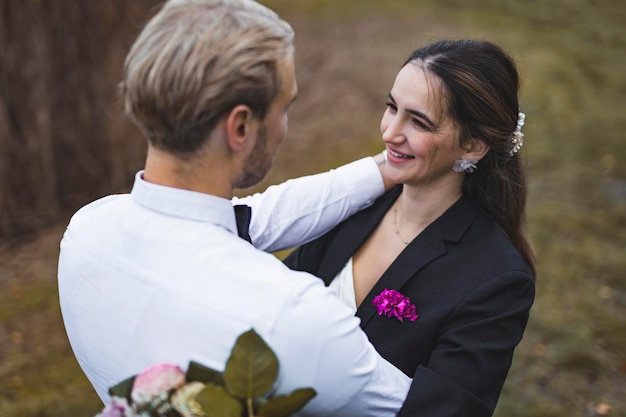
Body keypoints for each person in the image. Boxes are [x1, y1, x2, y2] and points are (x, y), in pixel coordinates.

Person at [57, 1, 412, 416]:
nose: (284, 126)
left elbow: (254, 219)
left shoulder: (86, 231)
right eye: (285, 107)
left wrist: (389, 166)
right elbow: (425, 408)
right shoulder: (293, 317)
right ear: (240, 127)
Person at [284, 39, 536, 417]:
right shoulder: (354, 205)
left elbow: (448, 408)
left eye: (418, 122)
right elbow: (277, 300)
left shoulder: (497, 280)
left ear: (473, 146)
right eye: (392, 107)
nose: (390, 132)